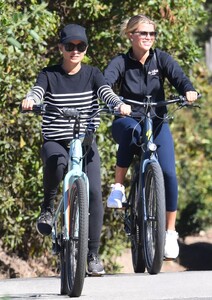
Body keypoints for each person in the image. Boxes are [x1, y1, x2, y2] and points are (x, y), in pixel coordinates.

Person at [21, 23, 126, 275]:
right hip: (56, 140)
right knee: (56, 163)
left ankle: (92, 255)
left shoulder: (92, 73)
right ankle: (47, 209)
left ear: (86, 48)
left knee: (93, 196)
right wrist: (31, 100)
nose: (75, 51)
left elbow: (106, 92)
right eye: (69, 46)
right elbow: (37, 91)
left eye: (80, 46)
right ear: (61, 48)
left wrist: (118, 103)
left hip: (85, 143)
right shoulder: (49, 74)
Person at [104, 14, 198, 259]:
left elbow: (179, 77)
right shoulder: (121, 62)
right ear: (131, 35)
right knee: (131, 132)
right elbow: (105, 84)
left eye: (151, 34)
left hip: (156, 122)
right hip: (128, 119)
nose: (148, 38)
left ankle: (169, 232)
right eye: (143, 33)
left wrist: (188, 91)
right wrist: (115, 102)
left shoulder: (161, 59)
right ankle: (118, 187)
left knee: (167, 172)